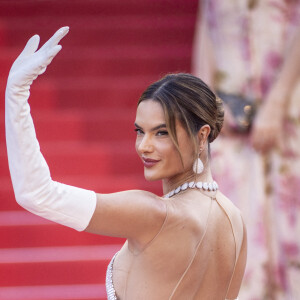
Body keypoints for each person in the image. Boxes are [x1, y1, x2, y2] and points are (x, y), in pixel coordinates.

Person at [5, 27, 247, 300]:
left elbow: (37, 193)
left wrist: (16, 94)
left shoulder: (154, 214)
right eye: (139, 131)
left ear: (202, 135)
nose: (144, 146)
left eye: (161, 132)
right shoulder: (235, 219)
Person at [192, 1, 300, 299]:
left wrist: (277, 103)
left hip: (288, 116)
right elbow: (207, 33)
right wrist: (204, 109)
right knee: (233, 240)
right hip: (228, 125)